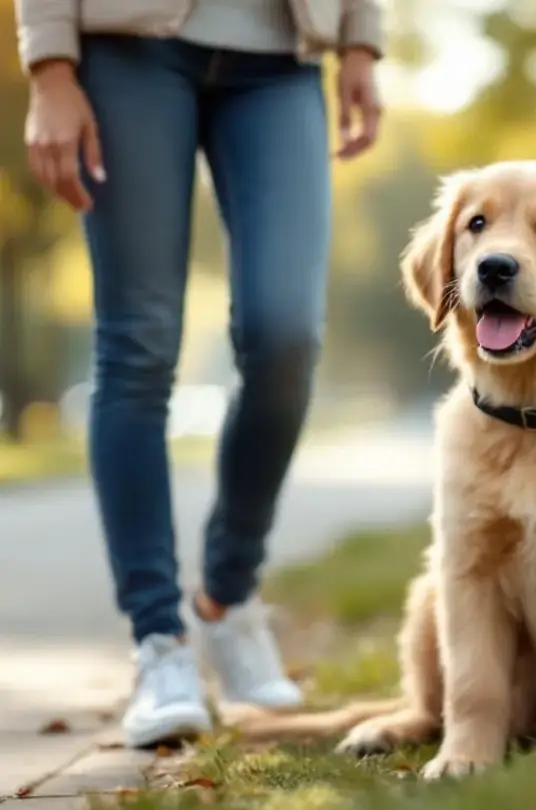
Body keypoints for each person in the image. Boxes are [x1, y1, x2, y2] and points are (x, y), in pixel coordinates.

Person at [15, 0, 384, 748]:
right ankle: (159, 643)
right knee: (138, 345)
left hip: (282, 57)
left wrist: (361, 42)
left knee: (286, 337)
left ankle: (227, 595)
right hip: (127, 48)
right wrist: (49, 64)